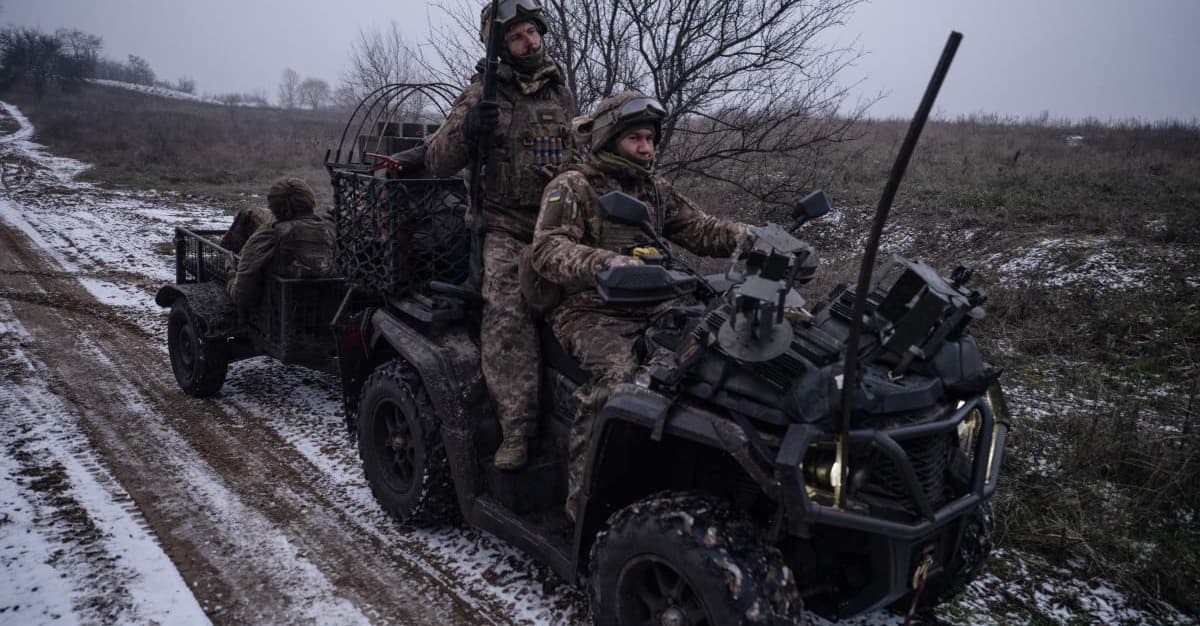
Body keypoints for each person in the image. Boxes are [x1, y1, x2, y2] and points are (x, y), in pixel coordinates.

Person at [529, 91, 754, 521]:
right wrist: (603, 263)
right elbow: (547, 249)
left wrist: (751, 237)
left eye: (650, 138)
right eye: (636, 138)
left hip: (655, 302)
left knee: (712, 364)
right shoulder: (573, 185)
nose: (646, 148)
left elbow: (700, 228)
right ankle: (583, 503)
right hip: (591, 309)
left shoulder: (652, 187)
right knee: (617, 382)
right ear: (613, 138)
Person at [424, 0, 576, 471]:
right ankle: (516, 431)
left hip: (558, 225)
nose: (529, 42)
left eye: (532, 32)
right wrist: (470, 129)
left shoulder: (559, 91)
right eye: (516, 36)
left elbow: (578, 154)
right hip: (506, 228)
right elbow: (437, 160)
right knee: (508, 319)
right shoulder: (482, 93)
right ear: (500, 47)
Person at [227, 177, 336, 311]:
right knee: (251, 214)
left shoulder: (268, 236)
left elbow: (242, 297)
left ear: (273, 207)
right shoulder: (331, 230)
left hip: (278, 311)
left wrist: (231, 273)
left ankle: (225, 253)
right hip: (325, 309)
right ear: (310, 201)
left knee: (248, 214)